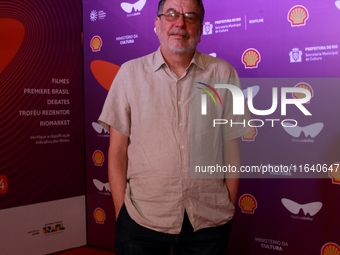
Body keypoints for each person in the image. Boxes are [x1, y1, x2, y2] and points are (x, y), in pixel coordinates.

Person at [98, 0, 252, 254]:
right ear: (157, 24)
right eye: (171, 14)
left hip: (208, 219)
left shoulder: (223, 74)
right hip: (141, 218)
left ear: (201, 29)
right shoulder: (129, 74)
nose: (180, 22)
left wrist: (229, 205)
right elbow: (116, 151)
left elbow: (231, 148)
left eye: (190, 16)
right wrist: (121, 213)